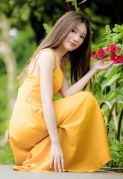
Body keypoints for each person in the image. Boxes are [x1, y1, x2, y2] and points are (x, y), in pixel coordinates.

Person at [9, 11, 112, 172]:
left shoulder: (58, 62)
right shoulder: (47, 56)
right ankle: (59, 150)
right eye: (73, 31)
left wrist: (94, 70)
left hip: (32, 123)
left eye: (82, 36)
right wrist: (56, 144)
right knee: (86, 100)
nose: (77, 38)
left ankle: (49, 155)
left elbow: (68, 94)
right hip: (30, 121)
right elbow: (45, 101)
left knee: (85, 100)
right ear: (62, 29)